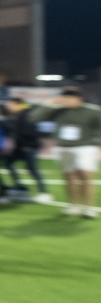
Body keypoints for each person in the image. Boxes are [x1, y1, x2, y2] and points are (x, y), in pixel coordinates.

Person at [32, 86, 101, 217]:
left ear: (79, 98)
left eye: (70, 98)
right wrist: (49, 104)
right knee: (69, 176)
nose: (67, 100)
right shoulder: (58, 111)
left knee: (85, 175)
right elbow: (34, 118)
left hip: (85, 146)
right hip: (63, 147)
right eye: (65, 98)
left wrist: (95, 141)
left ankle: (88, 208)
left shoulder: (93, 111)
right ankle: (73, 205)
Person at [2, 96, 46, 200]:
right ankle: (20, 186)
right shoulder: (17, 115)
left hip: (28, 146)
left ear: (15, 104)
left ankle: (44, 192)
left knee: (32, 168)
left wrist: (28, 145)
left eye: (9, 104)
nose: (8, 107)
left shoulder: (26, 114)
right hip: (20, 146)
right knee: (9, 163)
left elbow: (30, 131)